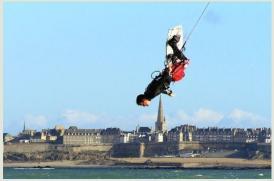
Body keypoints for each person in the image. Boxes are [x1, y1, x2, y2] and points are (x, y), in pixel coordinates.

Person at [136, 34, 189, 107]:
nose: (144, 106)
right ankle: (173, 57)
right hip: (166, 75)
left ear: (143, 100)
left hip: (169, 75)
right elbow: (159, 89)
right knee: (181, 72)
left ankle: (173, 43)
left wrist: (168, 72)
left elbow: (160, 83)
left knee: (185, 62)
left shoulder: (151, 95)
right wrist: (167, 93)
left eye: (142, 104)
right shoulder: (147, 91)